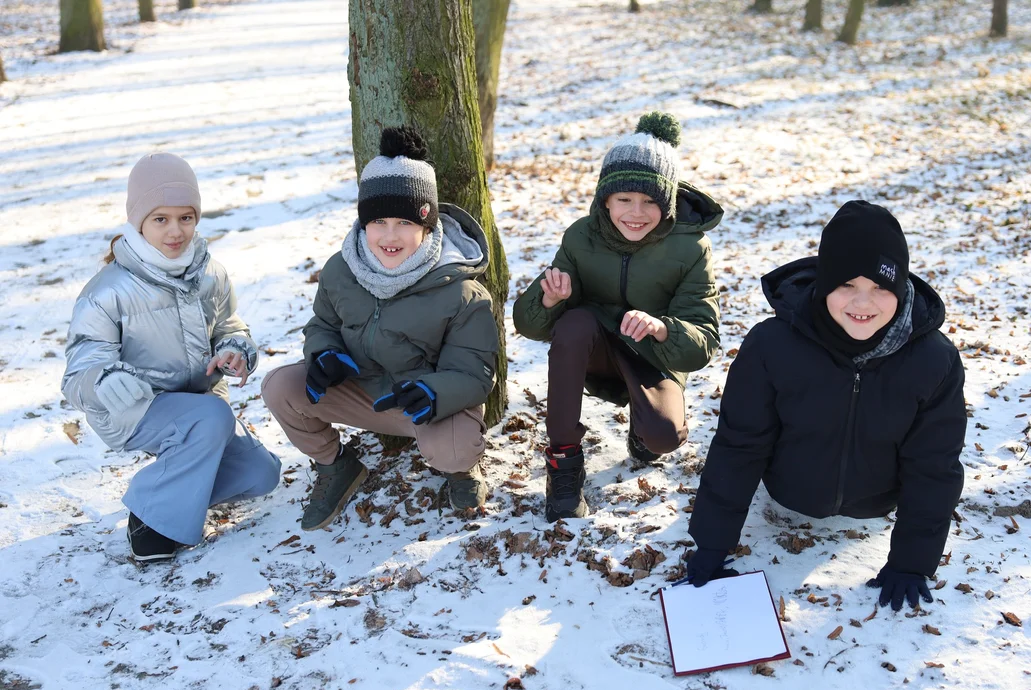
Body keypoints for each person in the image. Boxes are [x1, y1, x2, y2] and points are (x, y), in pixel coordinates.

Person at [688, 200, 967, 611]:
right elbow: (740, 445)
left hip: (877, 502)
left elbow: (934, 465)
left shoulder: (933, 360)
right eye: (847, 286)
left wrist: (913, 562)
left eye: (880, 287)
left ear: (901, 286)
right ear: (823, 285)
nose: (863, 303)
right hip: (788, 493)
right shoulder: (772, 346)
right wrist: (713, 542)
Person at [261, 127, 499, 530]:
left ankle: (462, 471)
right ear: (364, 223)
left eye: (405, 222)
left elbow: (474, 371)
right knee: (279, 388)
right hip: (361, 391)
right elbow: (323, 323)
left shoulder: (460, 291)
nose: (390, 236)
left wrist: (432, 392)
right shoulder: (342, 269)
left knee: (454, 450)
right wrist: (323, 354)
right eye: (378, 221)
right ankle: (336, 466)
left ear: (427, 225)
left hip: (424, 404)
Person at [62, 152, 281, 563]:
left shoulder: (209, 272)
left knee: (262, 473)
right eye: (160, 219)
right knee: (214, 417)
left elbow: (230, 326)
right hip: (134, 407)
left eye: (186, 217)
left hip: (196, 405)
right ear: (138, 221)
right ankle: (150, 517)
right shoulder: (108, 290)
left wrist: (235, 350)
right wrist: (105, 379)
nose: (175, 231)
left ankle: (178, 494)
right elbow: (78, 371)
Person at [513, 111, 723, 523]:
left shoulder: (691, 249)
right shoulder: (580, 237)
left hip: (652, 356)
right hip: (591, 349)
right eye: (624, 198)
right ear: (604, 199)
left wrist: (663, 328)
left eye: (650, 201)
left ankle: (644, 429)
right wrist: (551, 300)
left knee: (663, 437)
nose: (636, 212)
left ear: (666, 204)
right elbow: (528, 324)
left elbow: (703, 341)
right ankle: (563, 466)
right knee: (574, 324)